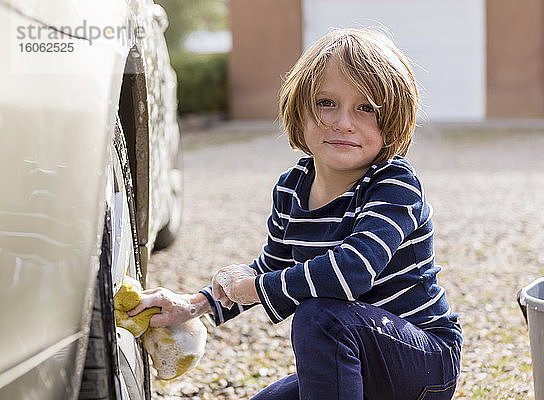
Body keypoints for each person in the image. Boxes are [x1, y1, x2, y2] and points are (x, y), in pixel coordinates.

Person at [128, 27, 462, 399]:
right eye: (326, 103)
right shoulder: (292, 187)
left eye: (366, 108)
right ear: (300, 110)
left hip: (422, 363)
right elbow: (274, 267)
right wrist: (193, 304)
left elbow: (351, 271)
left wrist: (255, 288)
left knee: (318, 316)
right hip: (351, 358)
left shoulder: (394, 184)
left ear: (394, 119)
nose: (343, 122)